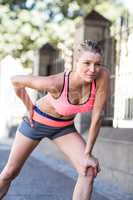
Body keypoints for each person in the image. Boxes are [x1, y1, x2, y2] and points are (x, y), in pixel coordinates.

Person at [0, 40, 110, 200]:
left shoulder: (102, 76)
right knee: (10, 172)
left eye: (97, 64)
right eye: (87, 63)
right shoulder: (55, 83)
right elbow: (16, 81)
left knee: (88, 169)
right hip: (35, 123)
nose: (92, 69)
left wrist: (88, 153)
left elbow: (98, 115)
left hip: (64, 128)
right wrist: (29, 106)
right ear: (76, 62)